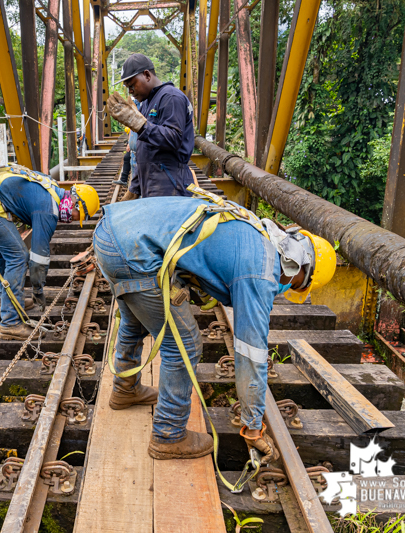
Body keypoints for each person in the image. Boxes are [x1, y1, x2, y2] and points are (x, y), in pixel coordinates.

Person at [93, 188, 336, 461]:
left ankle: (126, 390)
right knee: (185, 345)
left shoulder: (255, 230)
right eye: (298, 283)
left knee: (135, 320)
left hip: (113, 230)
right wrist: (253, 426)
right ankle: (169, 435)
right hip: (133, 251)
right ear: (300, 266)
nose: (287, 286)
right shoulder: (260, 272)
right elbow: (251, 355)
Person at [0, 165, 100, 340]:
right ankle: (10, 323)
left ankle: (11, 302)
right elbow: (38, 260)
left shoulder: (52, 191)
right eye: (75, 216)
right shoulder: (48, 210)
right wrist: (37, 291)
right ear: (75, 203)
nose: (71, 220)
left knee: (5, 256)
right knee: (19, 256)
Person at [107, 53, 195, 201]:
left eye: (132, 85)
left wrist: (140, 125)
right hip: (153, 188)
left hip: (172, 188)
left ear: (147, 75)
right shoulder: (147, 103)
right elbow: (145, 153)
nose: (130, 91)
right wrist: (134, 190)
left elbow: (174, 138)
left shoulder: (171, 97)